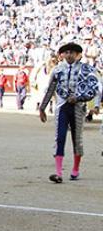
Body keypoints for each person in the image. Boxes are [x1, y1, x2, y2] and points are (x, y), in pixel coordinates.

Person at [39, 43, 100, 183]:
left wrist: (79, 98)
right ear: (62, 55)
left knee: (77, 139)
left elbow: (93, 88)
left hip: (78, 107)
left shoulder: (87, 70)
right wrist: (42, 107)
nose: (69, 55)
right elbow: (50, 89)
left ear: (79, 54)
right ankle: (59, 173)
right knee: (59, 138)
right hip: (62, 107)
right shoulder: (58, 69)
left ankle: (75, 169)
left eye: (72, 52)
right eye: (66, 52)